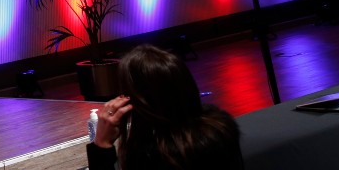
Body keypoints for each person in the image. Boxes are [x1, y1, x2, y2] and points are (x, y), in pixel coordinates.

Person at [88, 44, 243, 170]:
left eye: (125, 93)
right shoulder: (220, 127)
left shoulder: (152, 155)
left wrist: (101, 145)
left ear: (136, 100)